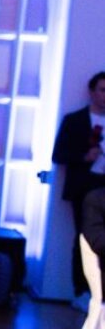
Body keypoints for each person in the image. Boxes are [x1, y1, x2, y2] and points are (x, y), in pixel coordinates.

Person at [51, 71, 105, 309]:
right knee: (85, 238)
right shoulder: (74, 120)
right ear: (92, 92)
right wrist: (84, 156)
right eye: (102, 90)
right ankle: (82, 291)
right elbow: (58, 155)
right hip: (84, 187)